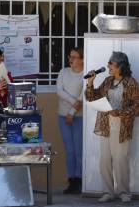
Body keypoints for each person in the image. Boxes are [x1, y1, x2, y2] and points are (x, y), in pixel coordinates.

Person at [85, 51, 139, 203]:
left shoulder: (131, 82)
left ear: (120, 66)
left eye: (111, 63)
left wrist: (120, 112)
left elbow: (137, 106)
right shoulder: (108, 81)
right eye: (109, 63)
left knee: (120, 160)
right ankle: (108, 192)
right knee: (104, 160)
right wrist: (90, 83)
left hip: (121, 126)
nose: (108, 66)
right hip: (106, 125)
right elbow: (91, 97)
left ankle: (124, 192)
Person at [56, 47, 83, 194]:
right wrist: (74, 103)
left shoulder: (86, 74)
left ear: (82, 59)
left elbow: (83, 97)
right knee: (70, 150)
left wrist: (72, 112)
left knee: (79, 150)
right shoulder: (63, 72)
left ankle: (79, 179)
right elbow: (60, 91)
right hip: (62, 116)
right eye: (70, 56)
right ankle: (71, 180)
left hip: (78, 117)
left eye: (75, 56)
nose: (71, 59)